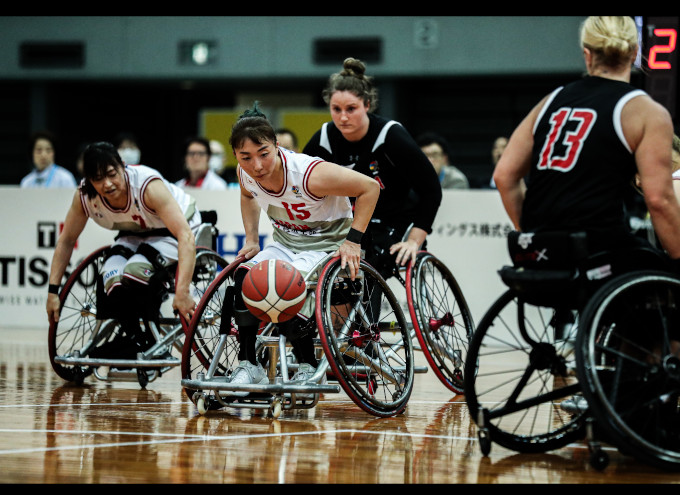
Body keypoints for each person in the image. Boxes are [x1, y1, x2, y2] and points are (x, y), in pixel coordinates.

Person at [494, 16, 680, 295]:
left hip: (540, 248)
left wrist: (533, 231)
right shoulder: (644, 110)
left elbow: (504, 176)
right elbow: (658, 198)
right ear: (635, 52)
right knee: (670, 288)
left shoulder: (550, 101)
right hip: (601, 248)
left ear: (587, 55)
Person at [222, 102, 380, 391]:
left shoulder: (310, 174)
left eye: (263, 154)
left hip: (327, 245)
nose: (256, 165)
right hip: (286, 244)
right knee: (244, 277)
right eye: (245, 157)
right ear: (235, 155)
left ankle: (307, 363)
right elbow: (247, 196)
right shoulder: (245, 173)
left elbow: (369, 187)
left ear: (277, 146)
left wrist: (353, 241)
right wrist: (251, 239)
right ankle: (248, 363)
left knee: (281, 286)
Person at [46, 142, 201, 358]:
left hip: (176, 228)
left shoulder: (147, 185)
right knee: (111, 275)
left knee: (135, 270)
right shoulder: (85, 197)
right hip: (135, 233)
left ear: (123, 166)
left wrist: (183, 292)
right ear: (89, 180)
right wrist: (53, 292)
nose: (107, 184)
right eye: (98, 179)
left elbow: (185, 236)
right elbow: (66, 240)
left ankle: (146, 337)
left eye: (111, 174)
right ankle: (133, 337)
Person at [302, 57, 442, 278]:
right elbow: (300, 183)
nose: (343, 117)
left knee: (368, 263)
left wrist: (415, 240)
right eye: (336, 109)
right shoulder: (325, 138)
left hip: (391, 222)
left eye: (351, 108)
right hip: (348, 223)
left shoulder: (390, 136)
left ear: (367, 105)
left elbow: (431, 190)